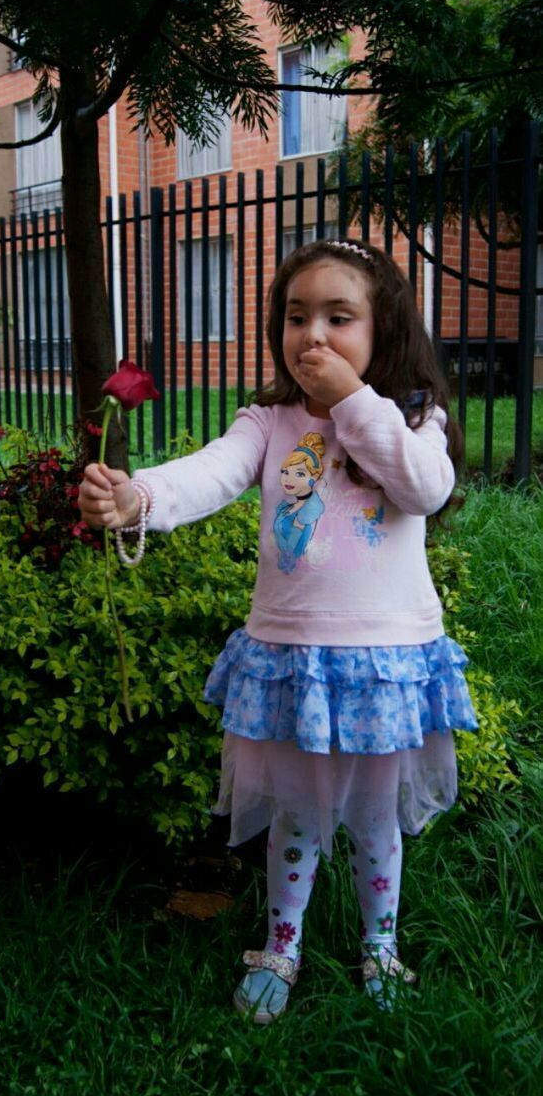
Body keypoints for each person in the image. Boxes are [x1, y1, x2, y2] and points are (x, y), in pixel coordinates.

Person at [78, 238, 478, 1020]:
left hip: (382, 660)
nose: (313, 337)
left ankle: (380, 943)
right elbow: (211, 470)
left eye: (338, 317)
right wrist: (138, 498)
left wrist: (357, 401)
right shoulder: (268, 422)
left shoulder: (412, 421)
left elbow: (426, 489)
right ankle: (282, 942)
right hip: (292, 657)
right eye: (297, 317)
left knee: (374, 816)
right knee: (294, 812)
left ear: (384, 329)